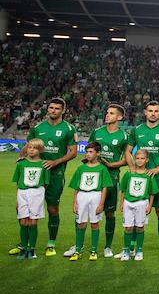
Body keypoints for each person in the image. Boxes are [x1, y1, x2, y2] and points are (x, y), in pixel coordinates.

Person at [20, 97, 77, 257]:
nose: (53, 110)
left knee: (52, 208)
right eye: (51, 108)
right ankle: (25, 244)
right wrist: (21, 157)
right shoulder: (38, 128)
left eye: (57, 108)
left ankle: (51, 243)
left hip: (56, 175)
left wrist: (55, 161)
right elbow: (28, 147)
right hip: (34, 175)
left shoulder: (68, 128)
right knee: (25, 210)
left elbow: (73, 152)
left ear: (63, 111)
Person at [123, 101, 159, 260]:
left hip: (158, 177)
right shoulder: (137, 130)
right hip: (139, 178)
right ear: (145, 112)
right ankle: (132, 248)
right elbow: (127, 151)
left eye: (156, 111)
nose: (153, 113)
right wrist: (132, 167)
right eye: (150, 111)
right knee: (133, 210)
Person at [88, 103, 130, 258]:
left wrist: (111, 164)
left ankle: (107, 246)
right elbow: (89, 153)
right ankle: (80, 245)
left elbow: (127, 159)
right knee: (85, 210)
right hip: (93, 177)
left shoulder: (124, 136)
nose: (107, 115)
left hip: (112, 177)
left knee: (110, 213)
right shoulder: (96, 132)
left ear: (119, 117)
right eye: (107, 112)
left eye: (111, 113)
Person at [67, 141, 112, 261]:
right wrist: (75, 202)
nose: (88, 154)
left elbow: (104, 188)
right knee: (81, 223)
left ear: (98, 153)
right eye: (87, 152)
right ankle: (78, 250)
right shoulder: (81, 168)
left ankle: (93, 250)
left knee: (94, 223)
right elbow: (76, 187)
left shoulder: (102, 169)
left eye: (91, 152)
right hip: (82, 195)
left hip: (95, 196)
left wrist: (101, 204)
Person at [118, 148, 157, 261]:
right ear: (134, 159)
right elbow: (123, 189)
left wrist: (149, 205)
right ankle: (126, 250)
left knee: (140, 227)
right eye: (137, 158)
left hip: (142, 203)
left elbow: (152, 192)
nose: (139, 161)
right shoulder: (129, 173)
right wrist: (122, 203)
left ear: (147, 160)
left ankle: (139, 250)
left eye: (142, 158)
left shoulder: (148, 175)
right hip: (128, 203)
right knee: (128, 227)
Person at [13, 138, 48, 260]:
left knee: (33, 221)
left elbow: (45, 183)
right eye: (29, 147)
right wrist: (18, 200)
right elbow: (18, 182)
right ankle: (24, 248)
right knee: (23, 221)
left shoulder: (44, 164)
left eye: (35, 148)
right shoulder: (21, 164)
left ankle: (32, 249)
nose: (31, 150)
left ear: (40, 150)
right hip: (22, 192)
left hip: (37, 193)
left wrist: (39, 196)